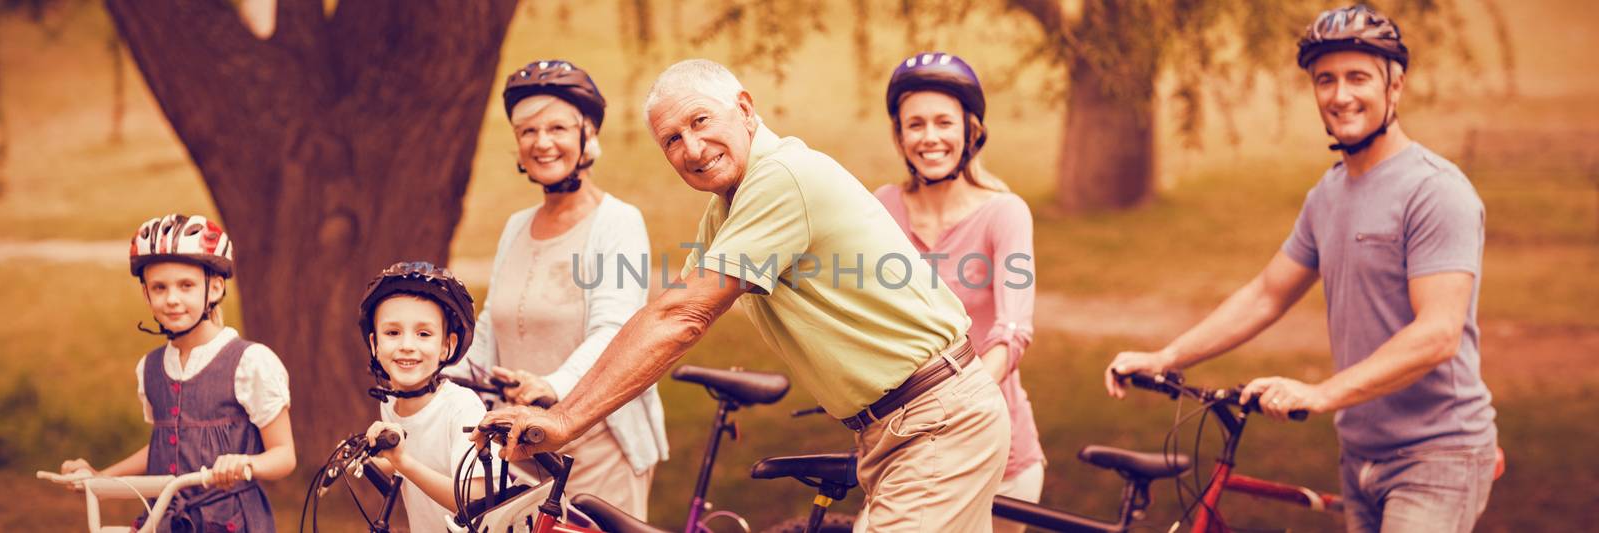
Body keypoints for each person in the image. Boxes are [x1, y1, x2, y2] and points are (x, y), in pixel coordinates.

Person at [478, 58, 1011, 532]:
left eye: (701, 121)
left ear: (745, 108)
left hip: (934, 420)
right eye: (671, 139)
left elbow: (683, 317)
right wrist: (563, 409)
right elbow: (664, 313)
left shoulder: (782, 177)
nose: (691, 147)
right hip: (895, 430)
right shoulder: (728, 208)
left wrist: (566, 420)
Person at [1103, 6, 1497, 532]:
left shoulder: (1435, 191)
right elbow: (1267, 293)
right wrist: (1167, 356)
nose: (1340, 95)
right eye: (1325, 80)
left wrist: (1320, 393)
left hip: (1438, 455)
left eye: (1358, 77)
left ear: (1395, 85)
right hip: (1360, 453)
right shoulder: (1329, 194)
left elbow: (1438, 335)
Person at [449, 59, 667, 519]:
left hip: (599, 451)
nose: (542, 142)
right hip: (522, 451)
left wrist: (553, 385)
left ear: (586, 135)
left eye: (557, 128)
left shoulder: (618, 222)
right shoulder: (516, 226)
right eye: (527, 131)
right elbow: (494, 325)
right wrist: (437, 376)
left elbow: (616, 328)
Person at [873, 51, 1044, 533]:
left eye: (944, 122)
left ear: (970, 130)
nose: (930, 137)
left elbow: (1012, 333)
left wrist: (953, 410)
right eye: (916, 124)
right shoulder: (882, 207)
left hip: (996, 449)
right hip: (904, 449)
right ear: (900, 135)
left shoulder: (1004, 213)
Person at [60, 214, 296, 532]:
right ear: (146, 295)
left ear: (214, 288)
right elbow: (163, 445)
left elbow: (284, 455)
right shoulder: (152, 368)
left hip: (231, 523)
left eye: (186, 285)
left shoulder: (250, 362)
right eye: (159, 287)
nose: (172, 299)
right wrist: (99, 477)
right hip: (165, 521)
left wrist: (245, 464)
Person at [359, 261, 488, 533]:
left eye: (423, 334)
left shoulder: (461, 408)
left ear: (446, 346)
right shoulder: (392, 404)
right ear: (375, 345)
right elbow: (423, 460)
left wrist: (402, 462)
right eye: (393, 333)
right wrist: (376, 460)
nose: (407, 346)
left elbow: (476, 498)